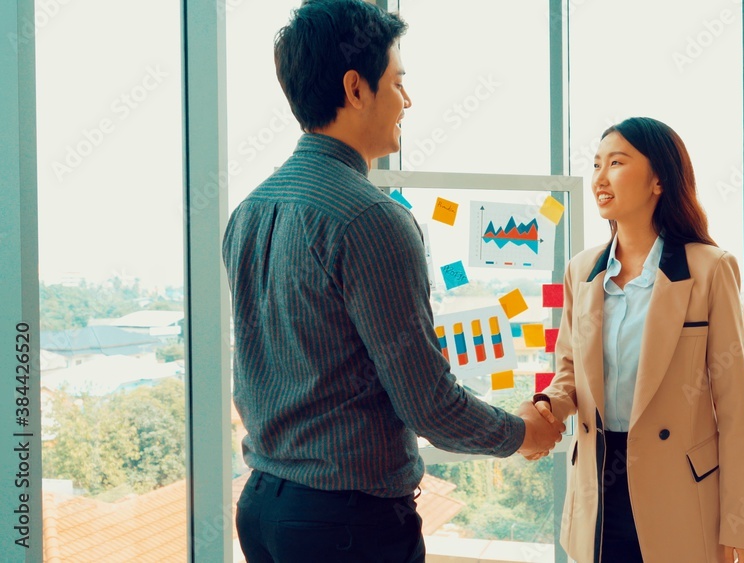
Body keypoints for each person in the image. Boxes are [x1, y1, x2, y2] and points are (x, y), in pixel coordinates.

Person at [222, 2, 563, 561]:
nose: (408, 101)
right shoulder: (370, 218)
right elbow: (429, 405)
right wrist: (523, 431)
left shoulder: (251, 210)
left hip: (262, 507)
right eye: (399, 82)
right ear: (356, 89)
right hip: (346, 525)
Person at [530, 117, 744, 562]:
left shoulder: (710, 269)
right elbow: (569, 373)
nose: (600, 177)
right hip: (598, 485)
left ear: (658, 179)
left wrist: (740, 520)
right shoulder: (582, 271)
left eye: (616, 163)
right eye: (596, 164)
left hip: (678, 490)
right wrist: (546, 406)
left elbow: (734, 409)